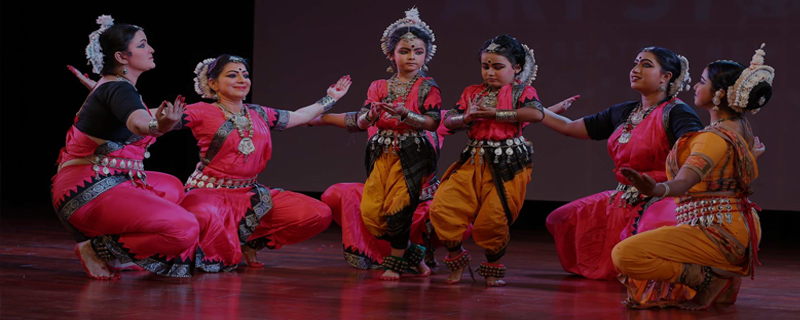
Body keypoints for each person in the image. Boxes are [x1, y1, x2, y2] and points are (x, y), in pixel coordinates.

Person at [612, 44, 773, 310]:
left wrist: (656, 189)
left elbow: (684, 182)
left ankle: (705, 279)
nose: (695, 88)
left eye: (701, 82)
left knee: (624, 255)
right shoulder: (740, 126)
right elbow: (729, 169)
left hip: (716, 231)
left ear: (719, 94)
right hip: (734, 226)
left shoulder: (711, 138)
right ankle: (722, 273)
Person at [52, 15, 199, 280]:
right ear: (122, 57)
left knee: (172, 187)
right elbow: (139, 122)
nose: (151, 49)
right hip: (89, 190)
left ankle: (115, 248)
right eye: (143, 45)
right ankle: (97, 250)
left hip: (97, 182)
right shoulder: (119, 90)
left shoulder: (113, 88)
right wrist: (159, 126)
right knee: (185, 229)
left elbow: (136, 114)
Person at [541, 46, 703, 280]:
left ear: (666, 77)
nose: (635, 70)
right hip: (623, 198)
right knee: (561, 220)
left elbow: (698, 151)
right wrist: (536, 110)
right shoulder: (625, 112)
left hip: (662, 197)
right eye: (636, 63)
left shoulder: (677, 113)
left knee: (650, 234)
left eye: (646, 65)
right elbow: (569, 126)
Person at [178, 54, 350, 271]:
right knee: (207, 225)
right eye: (232, 75)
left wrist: (331, 98)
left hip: (249, 193)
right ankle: (229, 243)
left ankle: (251, 240)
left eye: (245, 75)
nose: (242, 79)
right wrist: (144, 117)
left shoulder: (258, 113)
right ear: (212, 83)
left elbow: (298, 116)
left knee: (317, 214)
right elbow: (152, 119)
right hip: (209, 193)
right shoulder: (201, 111)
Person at [313, 8, 443, 281]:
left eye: (418, 52)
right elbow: (361, 121)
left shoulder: (427, 87)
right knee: (372, 213)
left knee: (399, 210)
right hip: (381, 153)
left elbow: (432, 123)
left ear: (426, 55)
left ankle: (394, 263)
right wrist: (372, 114)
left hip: (412, 155)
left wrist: (405, 114)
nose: (412, 57)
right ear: (391, 54)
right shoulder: (378, 86)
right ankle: (416, 257)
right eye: (405, 51)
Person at [430, 34, 546, 287]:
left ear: (516, 68)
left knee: (493, 219)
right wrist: (466, 119)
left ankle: (492, 267)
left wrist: (496, 114)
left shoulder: (522, 91)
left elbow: (536, 113)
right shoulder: (472, 92)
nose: (490, 73)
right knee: (444, 208)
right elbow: (448, 120)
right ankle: (456, 257)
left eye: (497, 66)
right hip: (473, 160)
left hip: (508, 164)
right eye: (486, 66)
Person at [313, 109, 472, 270]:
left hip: (421, 202)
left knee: (454, 216)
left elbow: (468, 120)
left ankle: (422, 249)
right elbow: (324, 118)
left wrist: (476, 114)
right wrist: (308, 113)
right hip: (382, 198)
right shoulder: (374, 116)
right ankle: (410, 253)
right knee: (339, 194)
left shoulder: (434, 119)